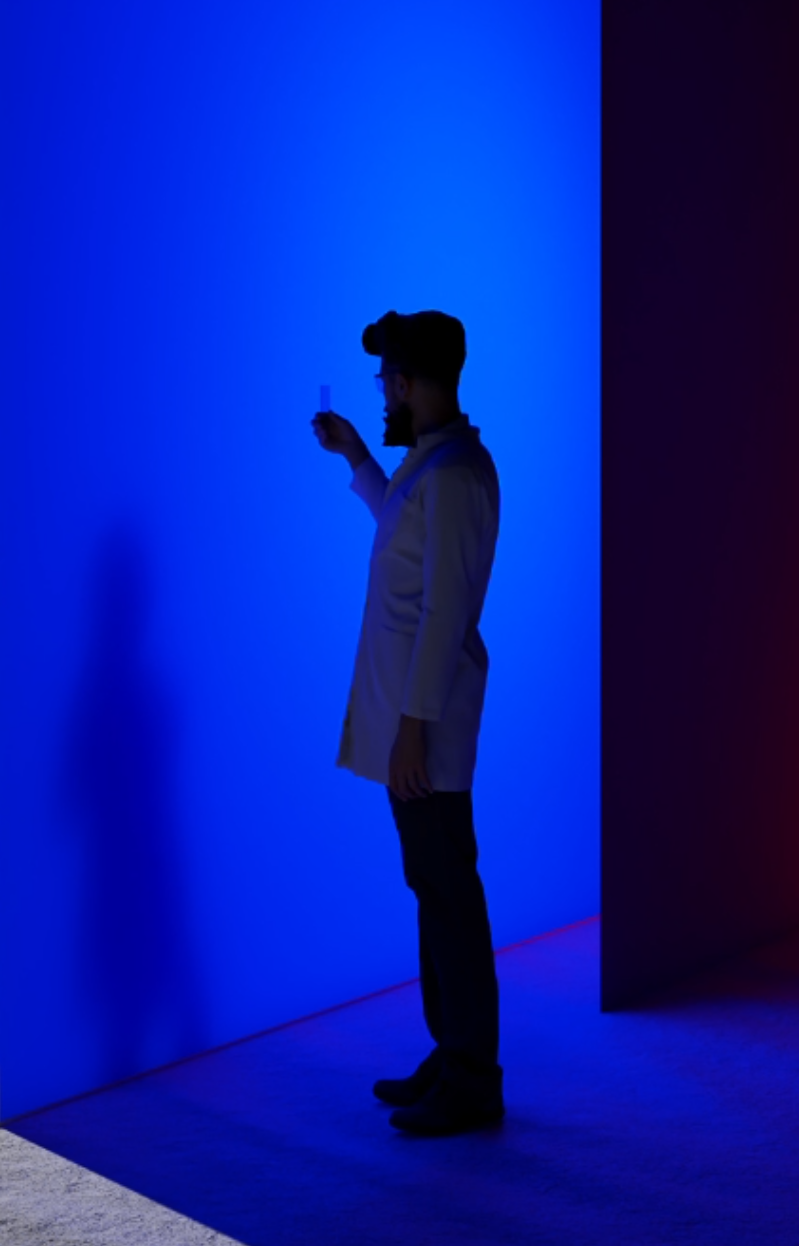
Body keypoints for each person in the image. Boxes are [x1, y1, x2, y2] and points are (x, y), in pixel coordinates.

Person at [310, 310, 505, 1136]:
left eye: (389, 379)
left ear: (415, 381)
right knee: (435, 888)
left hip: (423, 732)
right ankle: (453, 1054)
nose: (383, 392)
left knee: (447, 894)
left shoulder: (453, 475)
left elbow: (443, 610)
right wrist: (358, 458)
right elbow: (403, 534)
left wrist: (414, 727)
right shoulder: (436, 466)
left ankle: (471, 1075)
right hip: (412, 726)